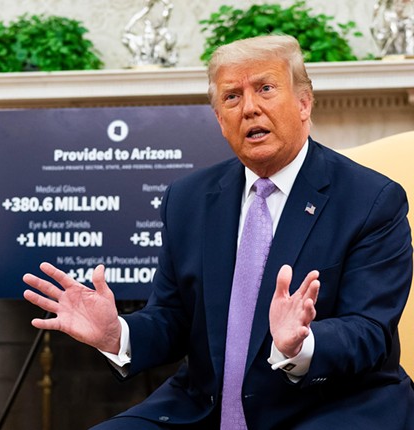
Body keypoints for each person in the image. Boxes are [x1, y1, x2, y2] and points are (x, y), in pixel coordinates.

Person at [24, 35, 414, 429]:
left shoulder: (371, 200)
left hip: (329, 405)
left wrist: (301, 343)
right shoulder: (188, 199)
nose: (249, 108)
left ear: (303, 103)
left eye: (265, 88)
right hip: (204, 409)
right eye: (231, 97)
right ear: (219, 120)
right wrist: (116, 334)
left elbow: (369, 330)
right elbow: (173, 319)